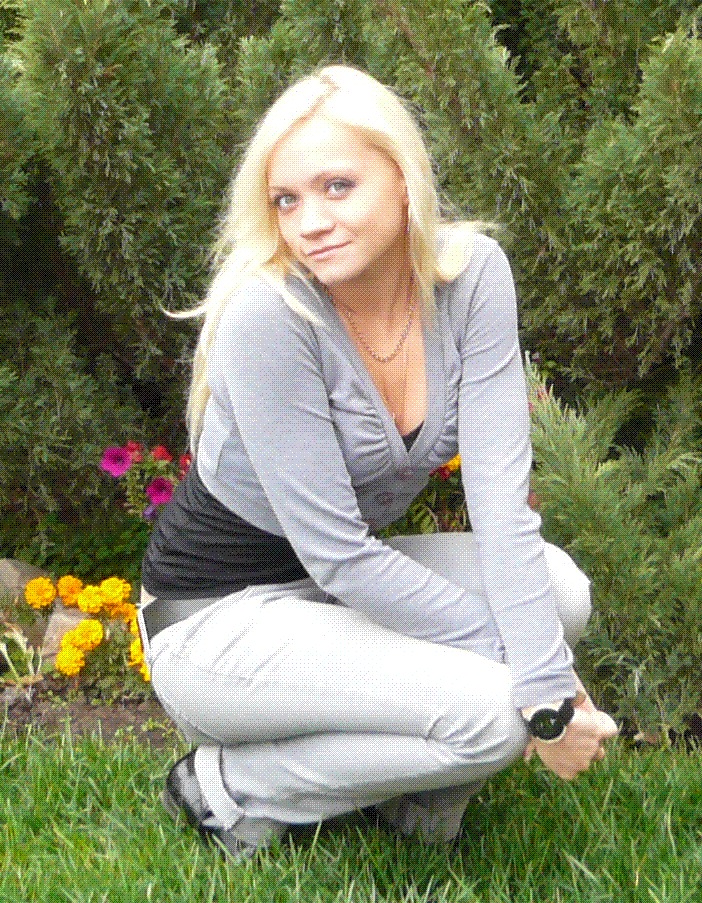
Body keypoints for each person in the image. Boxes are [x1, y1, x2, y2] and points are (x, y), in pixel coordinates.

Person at [138, 64, 618, 859]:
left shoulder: (472, 277)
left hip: (328, 592)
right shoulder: (270, 314)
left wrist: (544, 667)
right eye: (287, 200)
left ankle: (417, 814)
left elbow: (501, 503)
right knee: (497, 709)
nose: (310, 222)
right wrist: (543, 689)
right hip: (215, 620)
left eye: (337, 186)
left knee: (558, 593)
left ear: (403, 178)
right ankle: (229, 786)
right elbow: (341, 555)